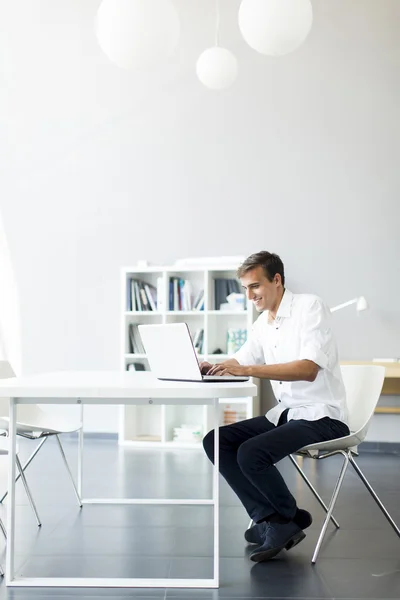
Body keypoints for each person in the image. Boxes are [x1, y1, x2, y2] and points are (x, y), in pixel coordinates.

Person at [201, 251, 350, 563]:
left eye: (255, 286)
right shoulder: (262, 323)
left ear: (277, 280)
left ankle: (282, 520)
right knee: (216, 440)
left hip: (322, 415)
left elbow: (308, 368)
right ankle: (275, 518)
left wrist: (247, 370)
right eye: (245, 288)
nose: (249, 295)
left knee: (251, 452)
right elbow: (241, 360)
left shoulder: (309, 307)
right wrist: (213, 366)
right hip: (288, 414)